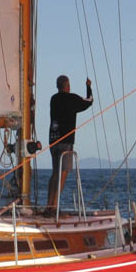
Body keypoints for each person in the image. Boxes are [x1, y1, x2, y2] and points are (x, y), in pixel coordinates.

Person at [43, 74, 92, 214]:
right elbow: (89, 101)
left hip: (53, 140)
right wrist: (88, 86)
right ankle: (54, 208)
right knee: (63, 172)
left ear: (58, 86)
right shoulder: (72, 99)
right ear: (68, 86)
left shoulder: (53, 99)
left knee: (55, 173)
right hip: (66, 142)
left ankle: (49, 205)